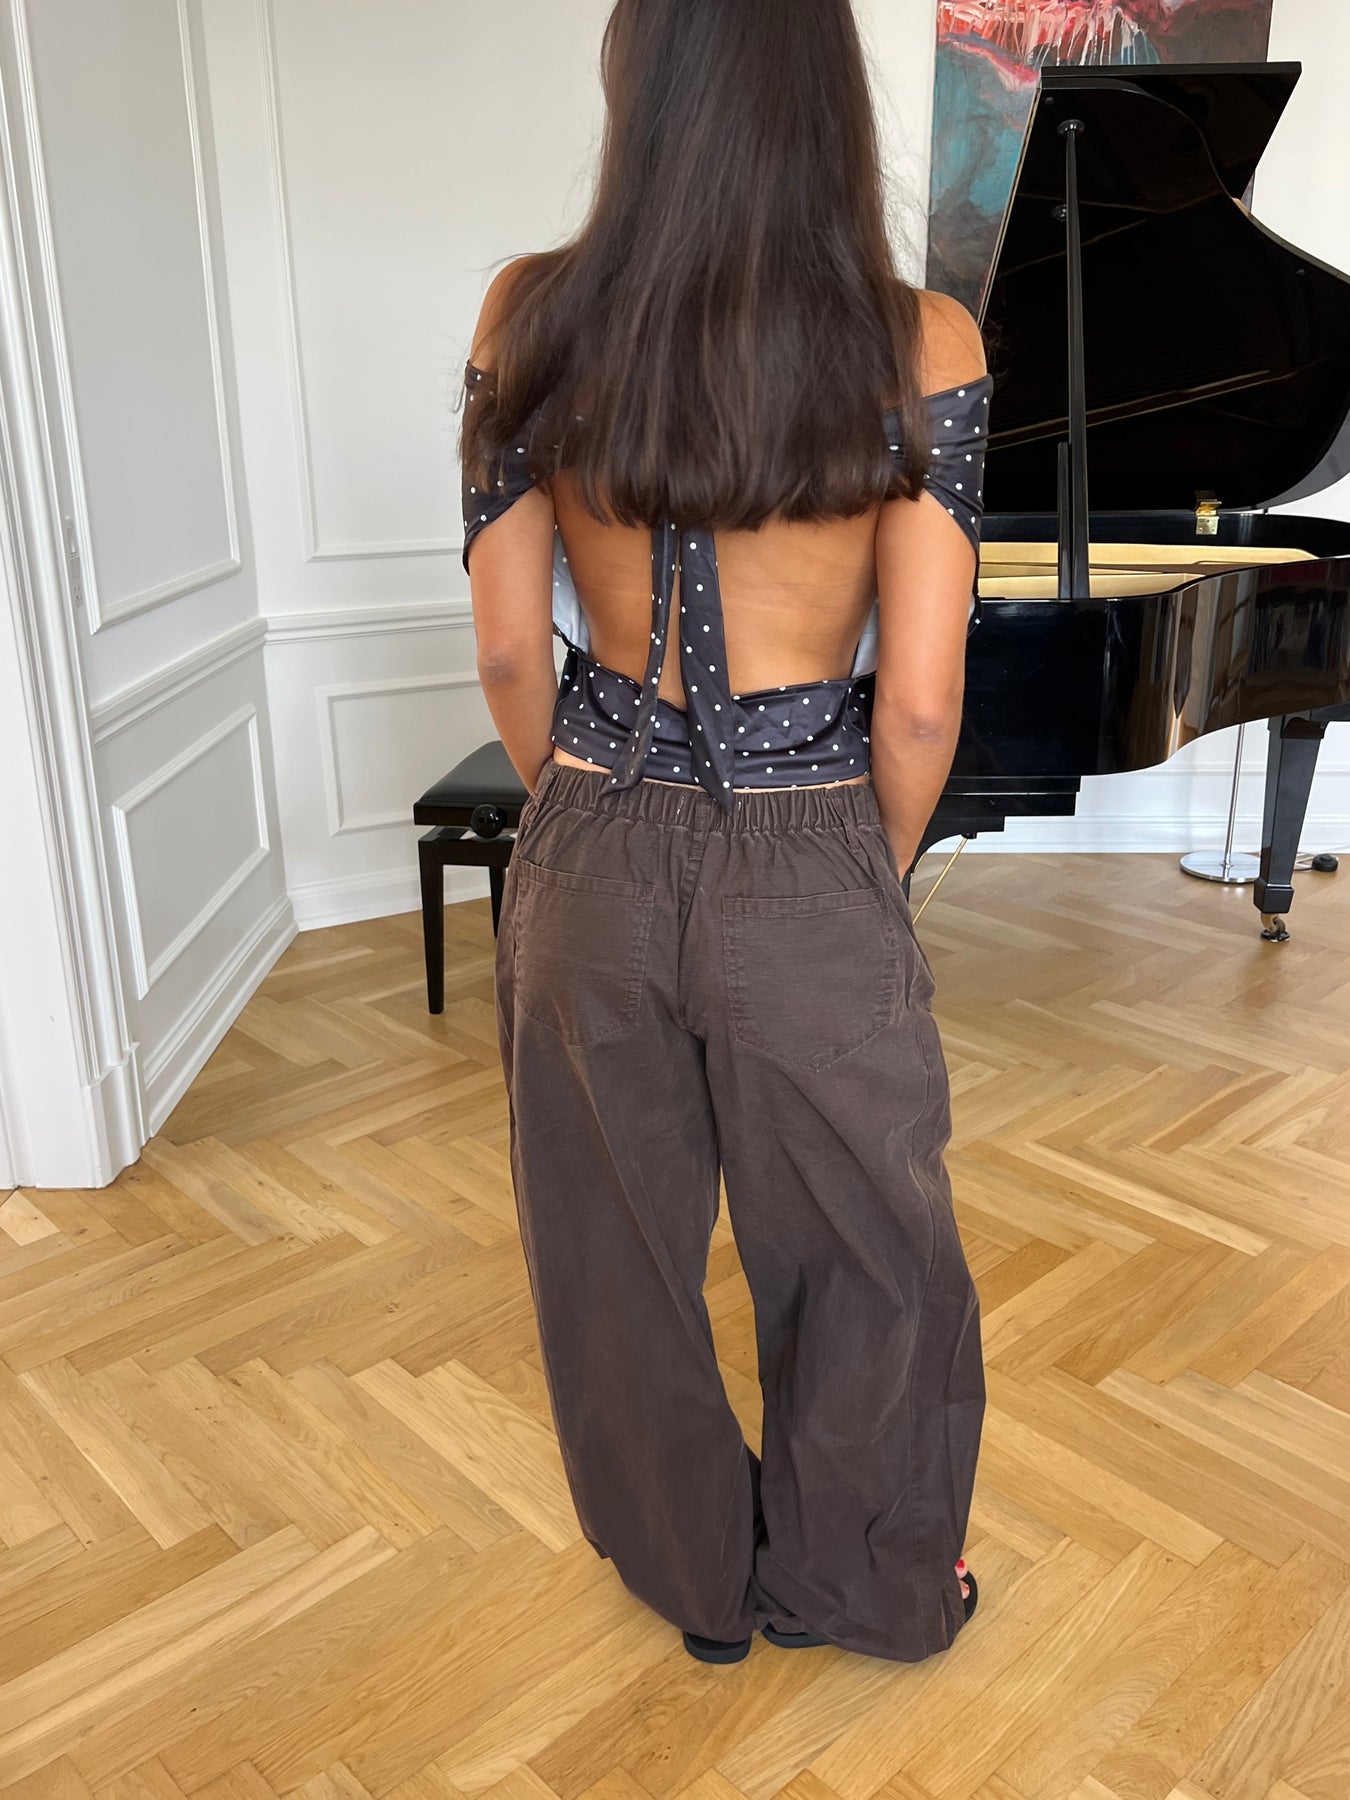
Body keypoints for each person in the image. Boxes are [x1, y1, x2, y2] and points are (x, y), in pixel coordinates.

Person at [460, 0, 987, 1666]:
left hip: (590, 831)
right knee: (866, 1247)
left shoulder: (529, 311)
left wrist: (587, 811)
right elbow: (918, 706)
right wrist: (854, 876)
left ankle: (692, 1585)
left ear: (637, 84)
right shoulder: (920, 340)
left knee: (609, 1247)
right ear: (822, 99)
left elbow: (505, 651)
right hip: (811, 832)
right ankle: (860, 1587)